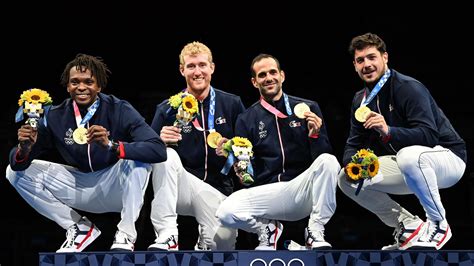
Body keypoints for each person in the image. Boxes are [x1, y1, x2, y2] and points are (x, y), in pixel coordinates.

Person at [6, 53, 167, 252]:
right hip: (79, 185)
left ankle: (125, 234)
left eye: (88, 82)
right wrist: (24, 148)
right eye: (75, 82)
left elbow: (158, 149)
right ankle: (78, 227)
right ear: (67, 86)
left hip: (115, 186)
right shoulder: (55, 115)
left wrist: (112, 145)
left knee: (138, 159)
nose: (81, 87)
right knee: (13, 172)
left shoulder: (119, 109)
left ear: (99, 86)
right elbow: (19, 164)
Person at [337, 33, 467, 250]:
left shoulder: (408, 87)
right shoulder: (360, 100)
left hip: (447, 158)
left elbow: (428, 135)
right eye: (360, 60)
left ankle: (438, 224)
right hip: (409, 164)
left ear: (385, 57)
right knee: (346, 178)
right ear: (355, 65)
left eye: (372, 57)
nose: (367, 64)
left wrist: (388, 130)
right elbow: (353, 143)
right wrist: (354, 163)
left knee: (408, 156)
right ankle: (408, 225)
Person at [216, 53, 341, 250]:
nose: (269, 78)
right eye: (262, 74)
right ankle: (267, 230)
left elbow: (323, 162)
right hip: (269, 193)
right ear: (254, 82)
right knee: (225, 212)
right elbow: (247, 177)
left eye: (273, 72)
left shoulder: (308, 108)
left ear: (282, 75)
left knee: (329, 161)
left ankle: (315, 230)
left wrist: (315, 136)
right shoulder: (246, 119)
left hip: (302, 189)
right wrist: (236, 161)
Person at [148, 41, 244, 251]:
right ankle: (167, 232)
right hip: (183, 187)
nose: (197, 71)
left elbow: (247, 149)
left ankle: (206, 239)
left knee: (222, 247)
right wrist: (157, 141)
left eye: (202, 65)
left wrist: (233, 150)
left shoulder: (232, 104)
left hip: (218, 190)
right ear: (182, 70)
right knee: (165, 155)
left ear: (212, 67)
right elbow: (146, 153)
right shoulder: (167, 108)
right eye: (191, 66)